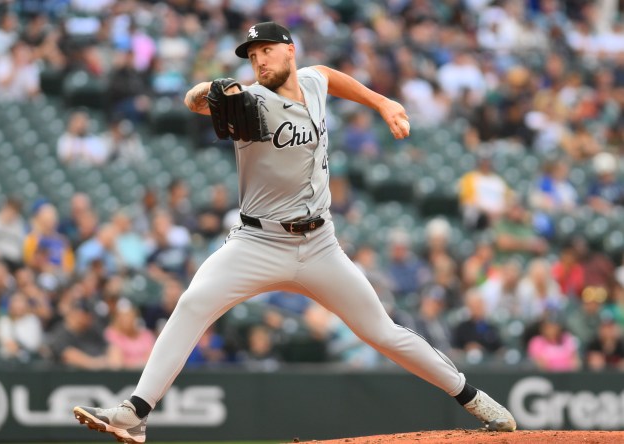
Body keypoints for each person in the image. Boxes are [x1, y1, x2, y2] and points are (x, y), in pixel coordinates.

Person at [73, 22, 516, 444]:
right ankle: (134, 414)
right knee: (192, 304)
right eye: (252, 56)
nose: (259, 61)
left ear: (289, 50)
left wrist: (382, 103)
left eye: (266, 50)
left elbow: (329, 76)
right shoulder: (248, 100)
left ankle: (474, 399)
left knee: (381, 330)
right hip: (257, 242)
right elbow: (196, 102)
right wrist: (208, 90)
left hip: (320, 244)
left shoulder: (313, 81)